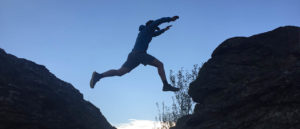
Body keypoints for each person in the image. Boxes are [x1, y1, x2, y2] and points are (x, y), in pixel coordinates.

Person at [90, 16, 180, 92]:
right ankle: (165, 85)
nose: (154, 30)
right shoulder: (148, 28)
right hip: (140, 54)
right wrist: (170, 19)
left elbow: (156, 34)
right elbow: (158, 21)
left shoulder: (145, 32)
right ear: (150, 26)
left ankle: (99, 76)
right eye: (154, 28)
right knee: (160, 65)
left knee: (120, 72)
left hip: (133, 55)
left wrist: (164, 30)